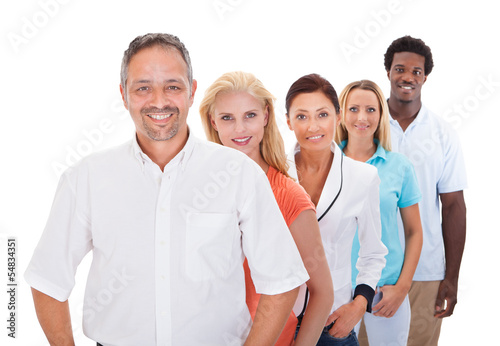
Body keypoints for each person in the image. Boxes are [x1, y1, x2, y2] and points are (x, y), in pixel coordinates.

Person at [24, 33, 310, 346]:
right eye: (143, 87)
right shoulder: (87, 177)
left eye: (172, 86)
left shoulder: (239, 174)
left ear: (192, 92)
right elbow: (47, 279)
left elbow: (282, 281)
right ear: (124, 95)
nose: (159, 101)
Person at [199, 71, 334, 345]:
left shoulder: (289, 196)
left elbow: (322, 293)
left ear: (266, 117)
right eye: (227, 118)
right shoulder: (200, 192)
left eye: (250, 115)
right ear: (213, 122)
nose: (240, 129)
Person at [285, 73, 388, 346]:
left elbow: (374, 252)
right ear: (288, 121)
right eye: (302, 116)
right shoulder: (273, 173)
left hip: (333, 324)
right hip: (279, 320)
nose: (312, 126)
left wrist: (358, 305)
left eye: (322, 114)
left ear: (337, 116)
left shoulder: (363, 178)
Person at [384, 35, 467, 346]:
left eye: (416, 71)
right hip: (368, 269)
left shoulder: (443, 133)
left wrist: (451, 278)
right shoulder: (365, 125)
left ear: (425, 78)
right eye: (400, 69)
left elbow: (454, 206)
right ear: (388, 73)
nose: (408, 77)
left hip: (426, 272)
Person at [335, 79, 423, 346]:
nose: (362, 117)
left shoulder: (399, 166)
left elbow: (414, 231)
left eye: (371, 110)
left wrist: (402, 287)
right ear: (341, 114)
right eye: (353, 109)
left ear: (381, 115)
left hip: (386, 288)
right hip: (336, 289)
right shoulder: (327, 164)